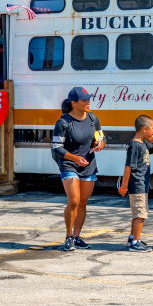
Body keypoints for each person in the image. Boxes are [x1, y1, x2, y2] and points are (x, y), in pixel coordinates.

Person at [52, 87, 105, 252]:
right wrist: (74, 158)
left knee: (82, 202)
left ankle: (76, 237)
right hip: (69, 164)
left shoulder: (93, 118)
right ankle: (68, 236)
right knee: (74, 201)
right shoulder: (63, 122)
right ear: (74, 103)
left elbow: (102, 137)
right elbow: (56, 148)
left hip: (88, 164)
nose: (88, 102)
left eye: (89, 99)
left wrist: (100, 145)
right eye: (84, 100)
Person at [119, 115, 153, 252]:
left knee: (137, 213)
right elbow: (127, 167)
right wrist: (124, 186)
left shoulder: (144, 143)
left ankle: (133, 237)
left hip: (142, 184)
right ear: (144, 129)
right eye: (152, 128)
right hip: (137, 184)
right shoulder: (135, 145)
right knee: (140, 214)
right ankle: (136, 242)